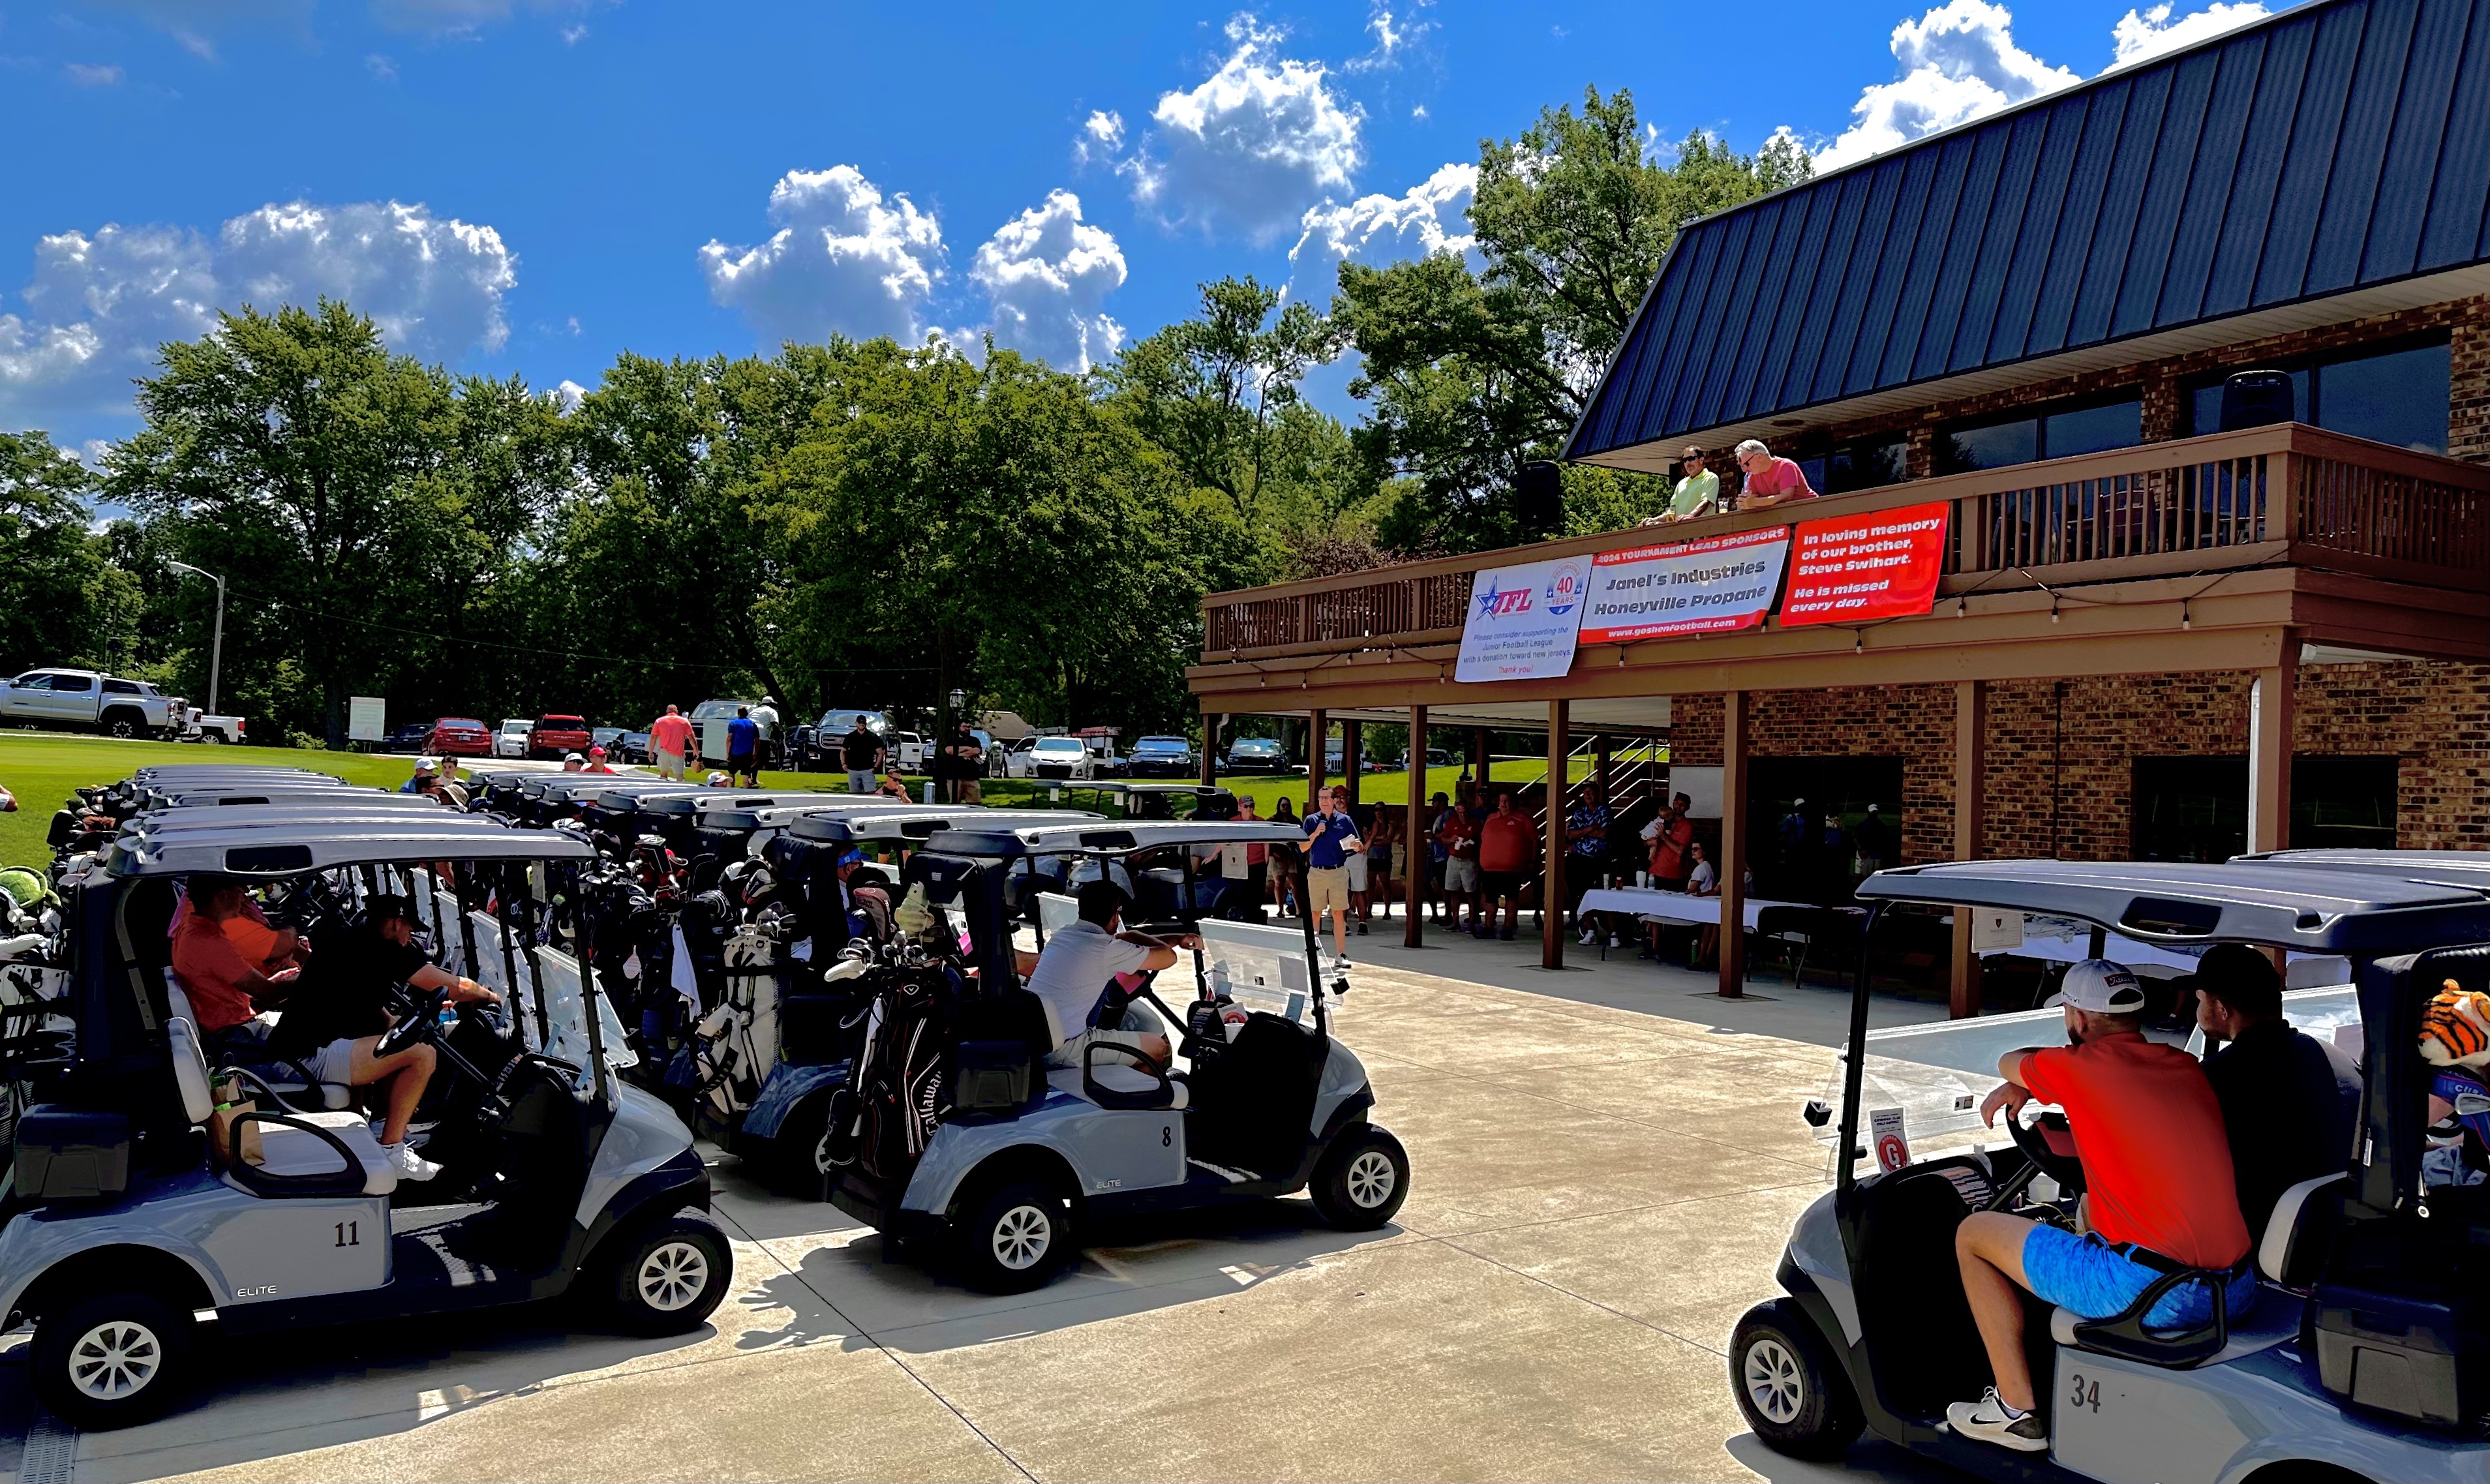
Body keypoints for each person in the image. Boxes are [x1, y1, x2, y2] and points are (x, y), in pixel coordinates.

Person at [1949, 960, 2254, 1454]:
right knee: (2089, 1210)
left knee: (1973, 1234)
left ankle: (2014, 1411)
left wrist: (2026, 1083)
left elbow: (2010, 1059)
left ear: (2078, 1018)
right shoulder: (2182, 1065)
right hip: (2234, 1288)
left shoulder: (2079, 1068)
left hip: (2157, 1294)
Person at [270, 894, 502, 1183]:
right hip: (304, 1059)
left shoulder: (354, 940)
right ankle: (392, 1149)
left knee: (393, 1036)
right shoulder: (386, 949)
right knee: (422, 1054)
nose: (411, 935)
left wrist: (390, 1022)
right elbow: (454, 987)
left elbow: (359, 1000)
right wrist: (493, 997)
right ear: (394, 924)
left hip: (297, 1049)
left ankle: (381, 1128)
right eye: (409, 928)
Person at [2194, 943, 2357, 1243]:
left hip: (2257, 1241)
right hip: (2339, 1232)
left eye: (2200, 1000)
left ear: (2221, 1009)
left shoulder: (2213, 1080)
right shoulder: (2338, 1060)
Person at [1023, 881, 1195, 1070]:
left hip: (1038, 1041)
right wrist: (1134, 935)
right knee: (1157, 1047)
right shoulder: (1107, 950)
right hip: (1066, 1048)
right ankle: (1144, 1098)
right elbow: (1168, 958)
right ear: (1115, 916)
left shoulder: (1065, 935)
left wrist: (1177, 939)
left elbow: (1118, 942)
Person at [170, 874, 301, 1042]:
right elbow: (270, 995)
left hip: (236, 1029)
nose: (244, 897)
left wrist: (285, 978)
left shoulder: (190, 930)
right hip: (238, 1038)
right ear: (223, 895)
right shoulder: (209, 941)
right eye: (240, 891)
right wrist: (313, 974)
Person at [1302, 785, 1363, 964]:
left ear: (1335, 800)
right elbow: (1303, 847)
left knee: (1338, 914)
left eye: (1327, 798)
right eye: (1321, 798)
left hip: (1338, 871)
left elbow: (1357, 843)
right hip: (1316, 872)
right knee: (1315, 914)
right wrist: (1315, 834)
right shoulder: (1311, 820)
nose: (1323, 801)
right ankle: (1313, 955)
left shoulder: (1345, 820)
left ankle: (1340, 955)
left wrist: (1358, 846)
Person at [1476, 791, 1537, 942]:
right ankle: (1489, 927)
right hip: (1490, 869)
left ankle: (1508, 929)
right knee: (1490, 899)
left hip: (1513, 870)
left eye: (1506, 801)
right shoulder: (1490, 818)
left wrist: (1533, 860)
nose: (1503, 804)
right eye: (1501, 800)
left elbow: (1535, 839)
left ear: (1514, 802)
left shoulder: (1523, 820)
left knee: (1511, 898)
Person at [1566, 783, 1612, 946]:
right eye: (1585, 793)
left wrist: (1582, 832)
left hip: (1599, 860)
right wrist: (1590, 829)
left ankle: (1613, 932)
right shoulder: (1579, 813)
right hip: (1579, 860)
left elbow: (1604, 833)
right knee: (1580, 893)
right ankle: (1590, 930)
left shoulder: (1604, 811)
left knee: (1602, 893)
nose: (1588, 796)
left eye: (1591, 793)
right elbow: (1570, 834)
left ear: (1598, 794)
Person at [1641, 446, 1720, 526]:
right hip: (1680, 533)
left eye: (1691, 459)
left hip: (1701, 532)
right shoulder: (1681, 484)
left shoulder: (1711, 478)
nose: (1688, 463)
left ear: (1701, 460)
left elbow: (1705, 502)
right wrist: (1654, 520)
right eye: (1685, 460)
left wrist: (1690, 516)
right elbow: (1672, 512)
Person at [1438, 784, 1481, 931]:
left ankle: (1471, 922)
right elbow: (1443, 839)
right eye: (1460, 813)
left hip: (1469, 861)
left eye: (1464, 812)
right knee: (1452, 891)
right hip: (1454, 860)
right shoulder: (1452, 822)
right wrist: (1451, 840)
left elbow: (1481, 841)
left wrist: (1472, 845)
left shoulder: (1475, 823)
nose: (1462, 815)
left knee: (1470, 892)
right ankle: (1455, 922)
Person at [1733, 438, 1817, 510]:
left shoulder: (1785, 466)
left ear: (1759, 457)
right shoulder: (1753, 475)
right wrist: (1746, 502)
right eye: (1742, 466)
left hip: (1810, 510)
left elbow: (1786, 497)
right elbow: (1750, 501)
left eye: (1747, 464)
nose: (1745, 470)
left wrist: (1754, 502)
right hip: (1784, 516)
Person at [1643, 792, 1695, 886]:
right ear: (1673, 802)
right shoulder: (1662, 819)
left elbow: (1680, 851)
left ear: (1687, 808)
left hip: (1672, 875)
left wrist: (1663, 836)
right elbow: (1649, 837)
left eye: (1682, 805)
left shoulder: (1687, 826)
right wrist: (1647, 842)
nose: (1678, 806)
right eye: (1677, 803)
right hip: (1654, 871)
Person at [1423, 791, 1452, 924]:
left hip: (1444, 856)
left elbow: (1447, 836)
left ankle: (1448, 914)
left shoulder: (1447, 816)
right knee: (1442, 885)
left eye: (1434, 802)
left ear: (1441, 803)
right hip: (1437, 856)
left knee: (1446, 887)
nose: (1433, 805)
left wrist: (1433, 837)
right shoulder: (1439, 817)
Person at [840, 716, 885, 796]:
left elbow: (880, 753)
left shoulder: (873, 737)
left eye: (863, 722)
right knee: (854, 795)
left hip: (868, 770)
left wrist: (876, 767)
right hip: (853, 770)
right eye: (860, 722)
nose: (862, 724)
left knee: (871, 794)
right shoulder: (850, 737)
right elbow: (843, 751)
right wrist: (843, 764)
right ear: (856, 723)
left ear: (866, 724)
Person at [943, 721, 985, 806]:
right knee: (954, 803)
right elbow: (949, 750)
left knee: (975, 803)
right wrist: (967, 748)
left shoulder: (974, 740)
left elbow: (976, 751)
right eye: (965, 726)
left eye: (969, 727)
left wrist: (957, 754)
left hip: (972, 777)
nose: (967, 729)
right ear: (959, 727)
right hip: (954, 777)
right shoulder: (952, 740)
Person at [649, 705, 694, 783]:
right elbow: (691, 737)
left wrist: (651, 752)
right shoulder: (684, 721)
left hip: (664, 751)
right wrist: (696, 750)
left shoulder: (659, 721)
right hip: (678, 752)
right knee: (679, 776)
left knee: (663, 774)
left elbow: (653, 737)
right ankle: (679, 791)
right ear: (677, 712)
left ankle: (662, 791)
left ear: (667, 712)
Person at [725, 706, 761, 787]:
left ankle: (729, 790)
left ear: (738, 714)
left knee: (731, 773)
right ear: (747, 714)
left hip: (734, 753)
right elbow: (757, 741)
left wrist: (728, 753)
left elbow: (729, 739)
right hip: (748, 753)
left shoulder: (733, 723)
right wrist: (755, 753)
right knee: (746, 774)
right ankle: (745, 791)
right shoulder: (753, 725)